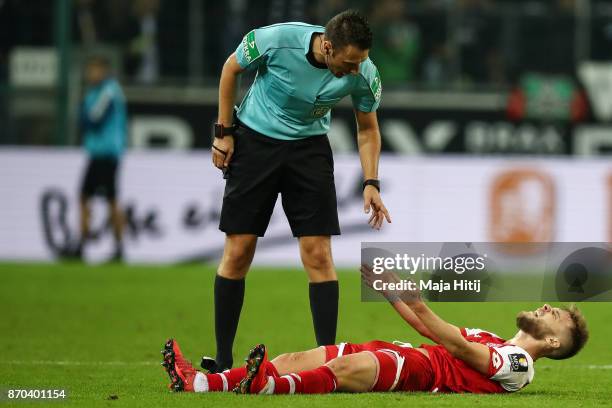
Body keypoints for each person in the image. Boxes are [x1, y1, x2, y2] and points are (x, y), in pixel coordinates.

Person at [208, 10, 391, 372]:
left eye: (361, 63)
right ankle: (224, 361)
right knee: (239, 250)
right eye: (350, 62)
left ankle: (328, 364)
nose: (355, 71)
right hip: (255, 144)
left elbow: (368, 129)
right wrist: (223, 132)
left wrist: (371, 181)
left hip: (309, 150)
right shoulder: (276, 40)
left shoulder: (364, 73)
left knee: (318, 254)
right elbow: (231, 69)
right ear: (327, 46)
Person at [161, 269, 589, 395]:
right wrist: (394, 296)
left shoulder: (518, 366)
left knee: (344, 368)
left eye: (556, 318)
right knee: (296, 359)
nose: (546, 307)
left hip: (420, 371)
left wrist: (418, 299)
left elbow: (455, 347)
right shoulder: (494, 338)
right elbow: (433, 330)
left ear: (552, 343)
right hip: (408, 350)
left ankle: (262, 388)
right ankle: (199, 382)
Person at [75, 56, 127, 261]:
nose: (91, 74)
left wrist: (82, 112)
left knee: (111, 200)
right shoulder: (93, 93)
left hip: (108, 153)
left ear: (103, 71)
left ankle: (119, 246)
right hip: (95, 153)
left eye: (95, 70)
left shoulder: (109, 90)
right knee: (83, 197)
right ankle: (81, 244)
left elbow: (92, 119)